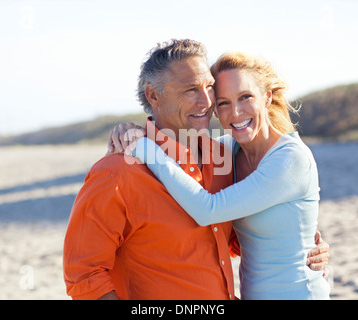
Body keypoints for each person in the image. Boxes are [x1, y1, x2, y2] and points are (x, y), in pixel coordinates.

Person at [63, 39, 329, 300]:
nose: (206, 101)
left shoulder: (223, 158)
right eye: (191, 90)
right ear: (153, 96)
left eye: (209, 88)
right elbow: (84, 274)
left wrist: (305, 244)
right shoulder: (117, 172)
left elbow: (234, 238)